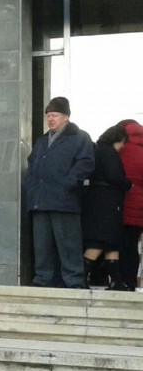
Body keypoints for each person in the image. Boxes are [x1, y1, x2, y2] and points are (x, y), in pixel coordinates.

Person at [24, 96, 95, 288]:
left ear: (66, 117)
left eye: (54, 115)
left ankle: (74, 280)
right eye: (48, 115)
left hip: (64, 200)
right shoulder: (41, 140)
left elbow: (86, 163)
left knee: (68, 243)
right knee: (42, 244)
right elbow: (32, 166)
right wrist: (31, 187)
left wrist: (68, 183)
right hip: (40, 199)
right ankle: (43, 279)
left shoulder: (80, 138)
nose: (50, 119)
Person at [82, 124, 132, 290]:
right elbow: (114, 176)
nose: (123, 146)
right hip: (107, 203)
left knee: (112, 241)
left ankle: (116, 281)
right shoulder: (108, 152)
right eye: (122, 142)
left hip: (97, 202)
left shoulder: (97, 151)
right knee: (100, 241)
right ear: (117, 139)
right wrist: (128, 184)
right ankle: (81, 276)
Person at [117, 119, 143, 290]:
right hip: (140, 207)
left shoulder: (119, 149)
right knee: (132, 245)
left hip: (120, 204)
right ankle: (131, 281)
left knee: (118, 245)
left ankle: (118, 280)